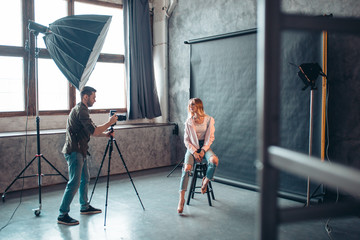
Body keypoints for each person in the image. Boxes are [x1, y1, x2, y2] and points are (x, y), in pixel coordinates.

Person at [57, 86, 118, 225]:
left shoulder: (82, 109)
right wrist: (110, 123)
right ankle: (62, 214)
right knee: (74, 183)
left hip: (80, 151)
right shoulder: (81, 111)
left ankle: (84, 207)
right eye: (93, 97)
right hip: (75, 152)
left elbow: (91, 131)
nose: (95, 100)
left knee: (85, 179)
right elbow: (94, 131)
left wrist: (106, 134)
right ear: (86, 97)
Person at [177, 98, 219, 214]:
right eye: (189, 104)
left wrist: (203, 151)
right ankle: (181, 199)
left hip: (204, 147)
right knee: (186, 169)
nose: (190, 106)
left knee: (214, 160)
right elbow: (186, 141)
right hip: (192, 148)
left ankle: (206, 181)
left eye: (193, 104)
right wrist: (195, 152)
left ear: (199, 106)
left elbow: (210, 138)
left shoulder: (209, 120)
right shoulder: (188, 121)